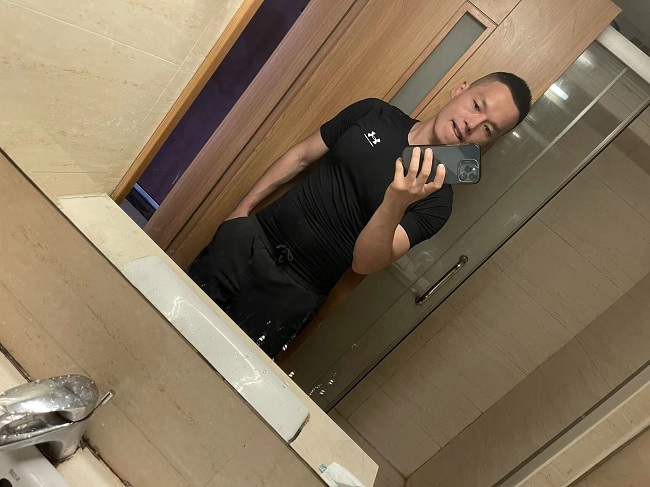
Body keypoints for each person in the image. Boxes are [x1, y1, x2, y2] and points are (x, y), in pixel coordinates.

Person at [188, 72, 532, 357]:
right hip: (248, 240)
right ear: (461, 89)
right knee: (173, 316)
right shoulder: (374, 113)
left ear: (484, 142)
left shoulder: (437, 202)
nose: (472, 124)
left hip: (293, 295)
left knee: (220, 380)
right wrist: (242, 209)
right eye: (477, 106)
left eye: (488, 129)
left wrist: (396, 201)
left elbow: (364, 263)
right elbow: (301, 156)